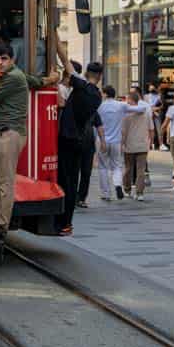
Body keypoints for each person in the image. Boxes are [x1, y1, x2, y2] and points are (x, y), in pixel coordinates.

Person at [0, 43, 58, 239]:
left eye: (3, 59)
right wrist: (51, 79)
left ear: (12, 60)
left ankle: (1, 224)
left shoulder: (13, 78)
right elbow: (36, 82)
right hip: (3, 133)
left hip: (10, 134)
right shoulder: (17, 75)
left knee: (4, 181)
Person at [54, 38, 103, 236]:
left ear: (86, 74)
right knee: (72, 180)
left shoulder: (81, 86)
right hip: (80, 139)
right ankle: (66, 222)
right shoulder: (97, 96)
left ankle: (63, 221)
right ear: (99, 76)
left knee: (65, 180)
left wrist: (55, 39)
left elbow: (65, 61)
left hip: (66, 137)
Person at [121, 87, 154, 200]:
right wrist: (151, 142)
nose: (126, 102)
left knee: (128, 168)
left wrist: (122, 143)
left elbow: (123, 132)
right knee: (141, 170)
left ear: (131, 100)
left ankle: (127, 190)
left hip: (129, 145)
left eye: (127, 99)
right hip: (142, 144)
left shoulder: (126, 115)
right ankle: (139, 193)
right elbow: (151, 130)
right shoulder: (146, 114)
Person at [96, 86, 124, 202]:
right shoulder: (120, 105)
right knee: (116, 166)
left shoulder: (99, 106)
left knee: (103, 167)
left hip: (102, 140)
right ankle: (118, 185)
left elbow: (95, 125)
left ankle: (106, 193)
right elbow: (138, 108)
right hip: (116, 140)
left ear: (106, 94)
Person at [77, 109, 104, 208]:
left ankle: (81, 198)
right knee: (74, 174)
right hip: (74, 146)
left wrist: (103, 141)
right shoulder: (74, 109)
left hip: (88, 147)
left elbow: (99, 126)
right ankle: (74, 197)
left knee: (86, 173)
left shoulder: (93, 111)